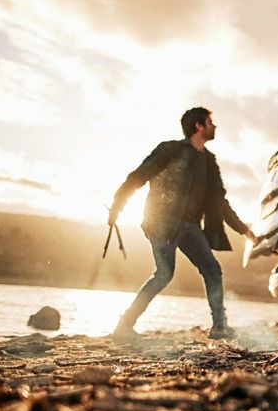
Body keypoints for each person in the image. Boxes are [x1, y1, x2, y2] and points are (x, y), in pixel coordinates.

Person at [107, 107, 257, 343]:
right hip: (161, 223)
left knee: (212, 270)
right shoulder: (171, 149)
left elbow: (220, 200)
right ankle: (124, 326)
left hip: (190, 227)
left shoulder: (209, 161)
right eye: (210, 122)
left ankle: (220, 326)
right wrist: (117, 207)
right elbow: (139, 176)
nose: (214, 126)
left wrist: (244, 229)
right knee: (164, 274)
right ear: (199, 126)